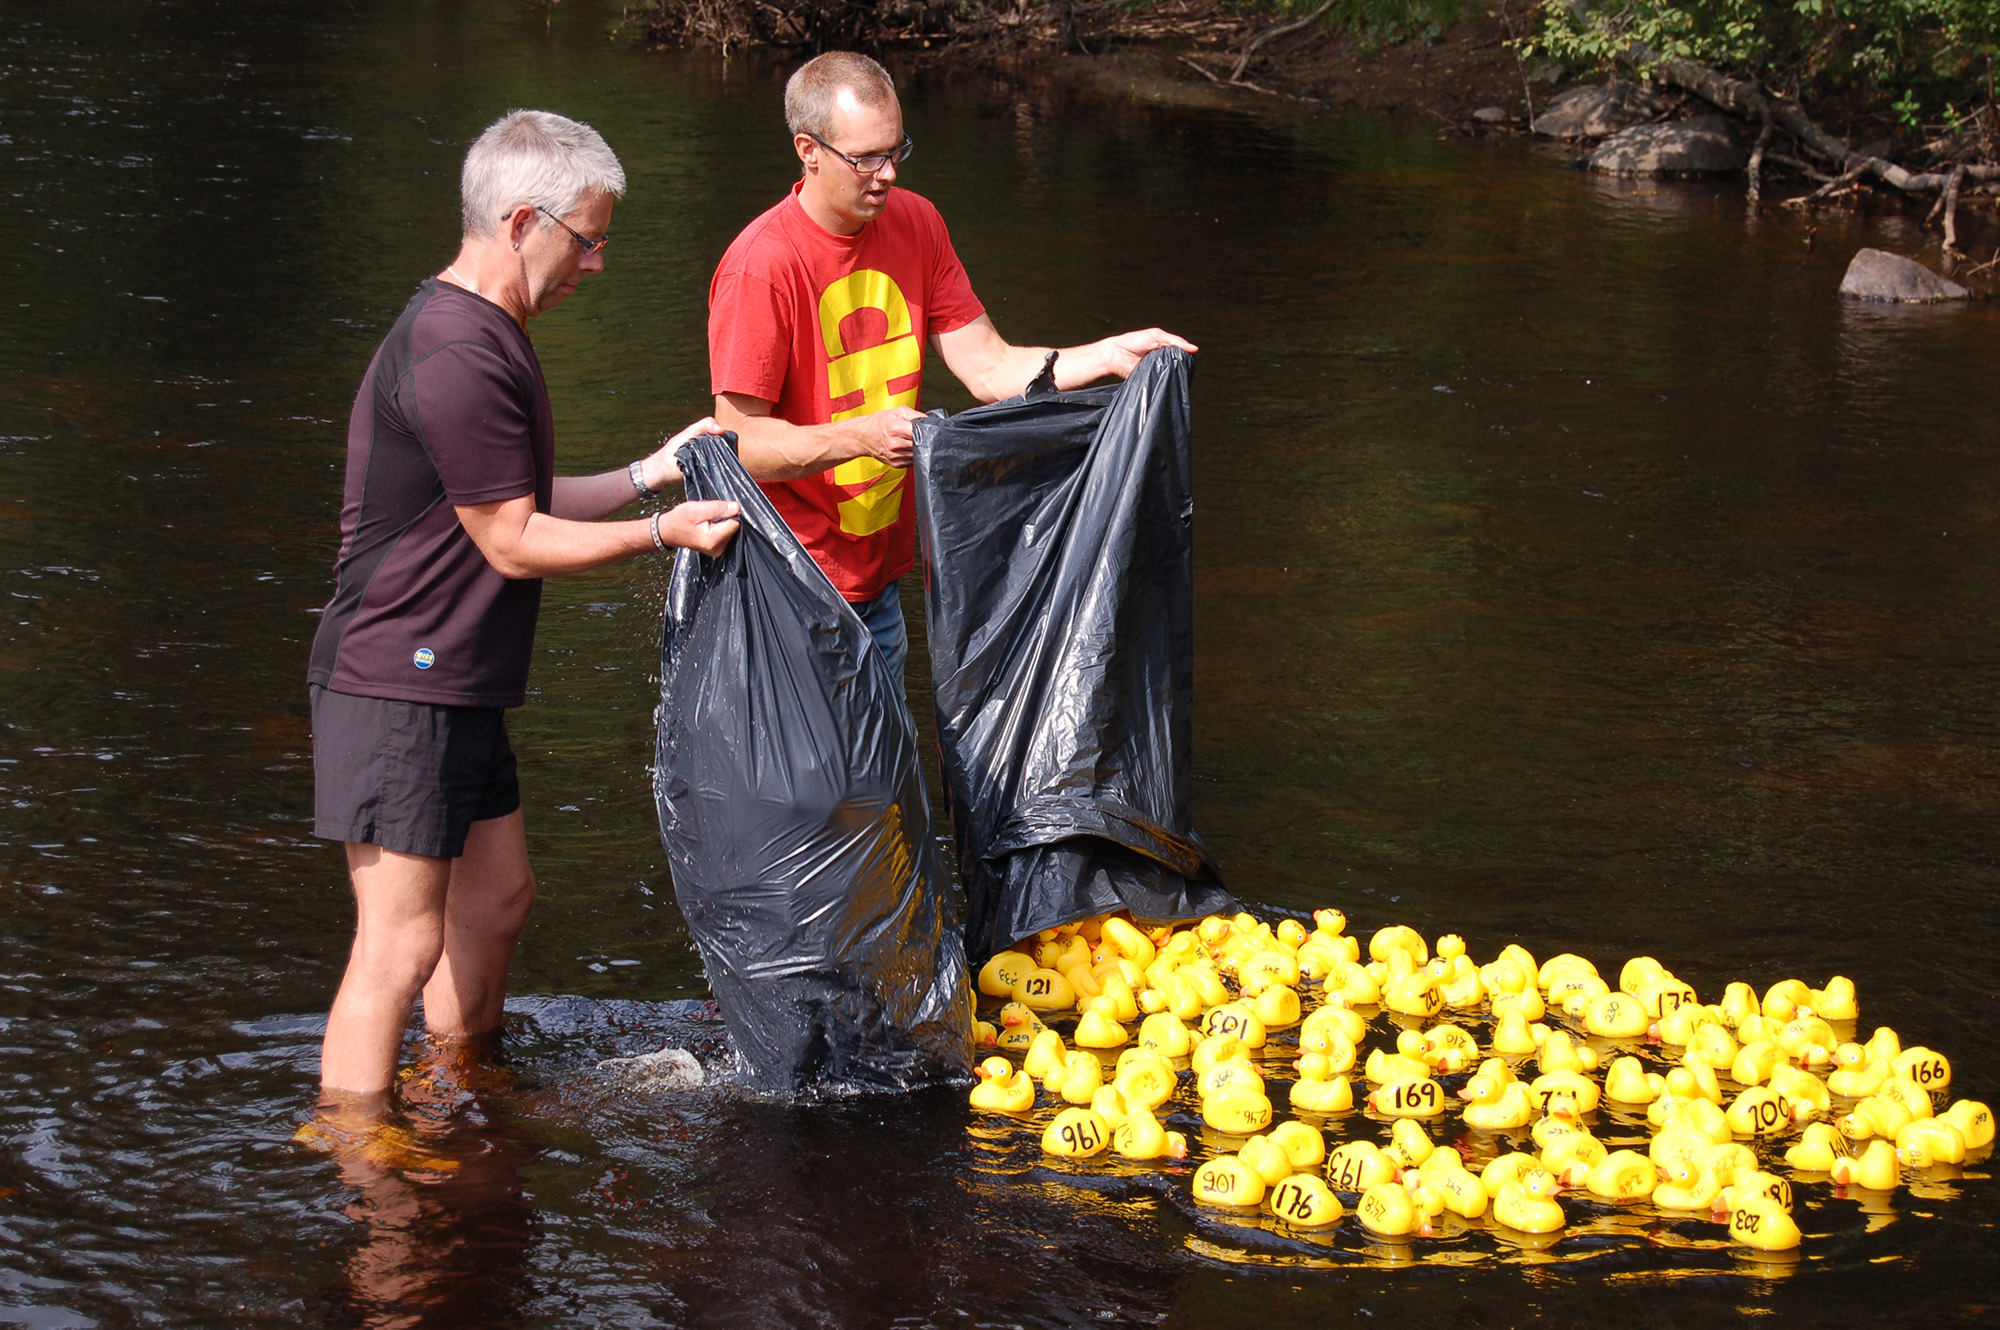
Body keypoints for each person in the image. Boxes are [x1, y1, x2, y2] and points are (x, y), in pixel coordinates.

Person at [306, 109, 740, 1110]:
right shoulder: (457, 350)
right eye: (586, 239)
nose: (595, 265)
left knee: (496, 902)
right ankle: (359, 1155)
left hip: (452, 679)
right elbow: (511, 540)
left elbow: (526, 498)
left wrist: (651, 473)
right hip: (395, 681)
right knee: (400, 939)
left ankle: (454, 1088)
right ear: (518, 222)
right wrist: (660, 534)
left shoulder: (490, 335)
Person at [708, 52, 1196, 682]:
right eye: (865, 159)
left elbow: (990, 367)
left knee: (884, 775)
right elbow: (736, 443)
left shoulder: (916, 222)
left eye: (896, 151)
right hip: (786, 585)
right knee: (820, 781)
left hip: (878, 586)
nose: (885, 175)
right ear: (808, 150)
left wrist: (1105, 356)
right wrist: (859, 436)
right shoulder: (762, 266)